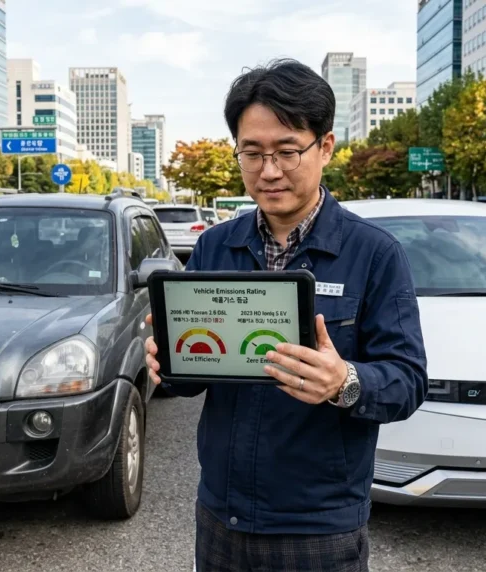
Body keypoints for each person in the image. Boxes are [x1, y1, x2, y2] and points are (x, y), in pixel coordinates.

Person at [144, 59, 429, 572]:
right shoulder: (215, 247)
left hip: (319, 526)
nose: (268, 171)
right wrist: (165, 364)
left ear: (325, 147)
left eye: (286, 152)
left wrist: (345, 381)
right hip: (221, 515)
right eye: (251, 154)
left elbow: (408, 380)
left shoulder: (374, 254)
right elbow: (189, 382)